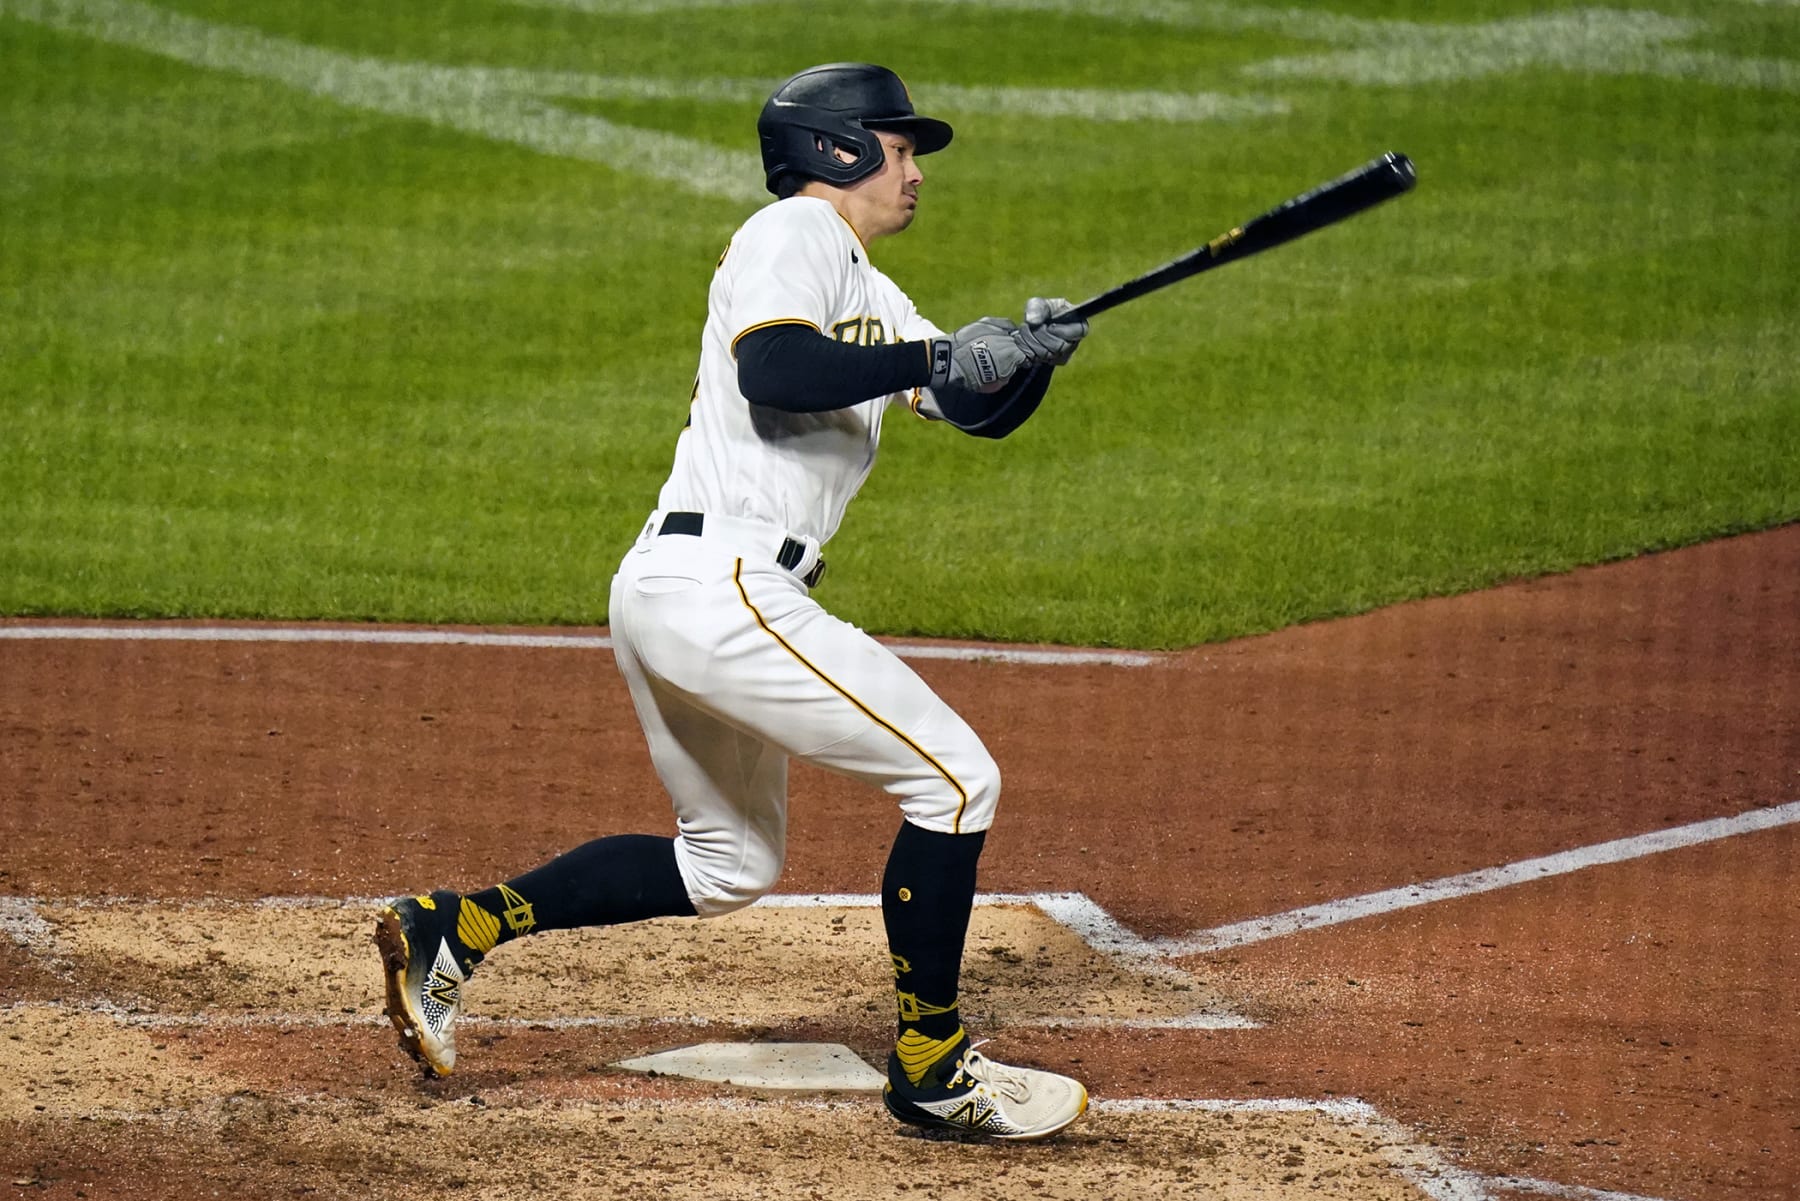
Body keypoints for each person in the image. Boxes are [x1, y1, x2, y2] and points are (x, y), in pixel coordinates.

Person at [374, 62, 1092, 1141]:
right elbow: (780, 372)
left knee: (729, 864)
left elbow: (963, 404)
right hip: (723, 588)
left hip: (685, 591)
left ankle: (457, 926)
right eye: (901, 149)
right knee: (955, 779)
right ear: (837, 151)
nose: (916, 172)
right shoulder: (791, 236)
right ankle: (934, 1068)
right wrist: (949, 350)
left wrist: (1026, 361)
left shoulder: (858, 280)